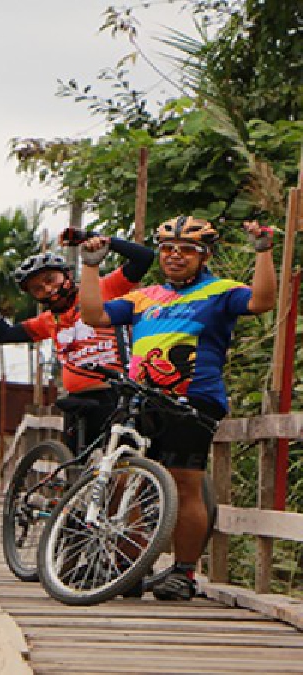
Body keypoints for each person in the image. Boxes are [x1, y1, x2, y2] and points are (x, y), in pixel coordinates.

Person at [78, 217, 277, 601]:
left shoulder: (220, 291)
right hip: (141, 397)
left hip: (193, 400)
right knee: (121, 480)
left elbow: (262, 301)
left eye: (186, 250)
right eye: (168, 249)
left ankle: (183, 573)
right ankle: (129, 566)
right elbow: (94, 315)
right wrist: (90, 266)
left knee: (185, 486)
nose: (175, 256)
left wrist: (263, 252)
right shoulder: (144, 296)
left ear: (204, 256)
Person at [0, 230, 154, 450]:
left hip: (115, 393)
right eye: (38, 289)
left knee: (121, 464)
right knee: (78, 472)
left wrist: (94, 239)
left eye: (50, 279)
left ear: (66, 274)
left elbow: (144, 258)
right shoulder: (47, 320)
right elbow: (3, 334)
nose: (48, 289)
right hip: (77, 401)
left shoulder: (101, 289)